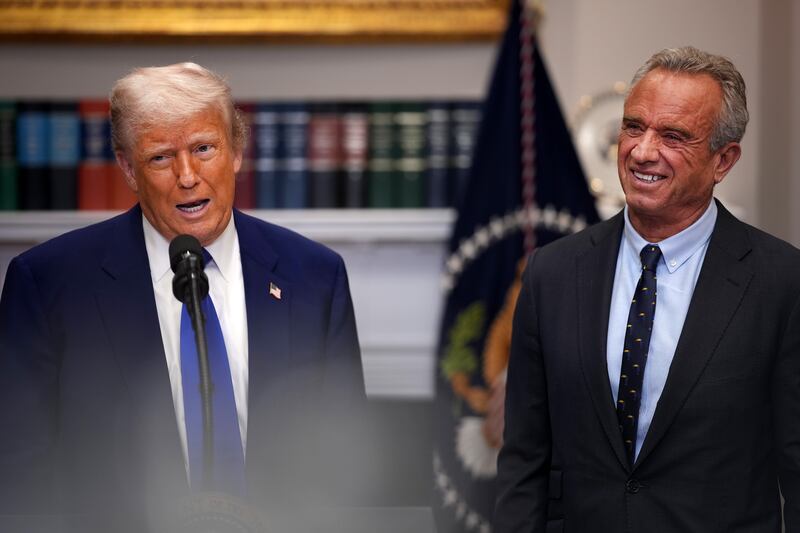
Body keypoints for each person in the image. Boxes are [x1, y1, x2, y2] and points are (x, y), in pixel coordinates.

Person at [0, 63, 364, 532]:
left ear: (236, 151)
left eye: (204, 149)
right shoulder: (48, 284)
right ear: (128, 168)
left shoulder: (315, 277)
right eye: (160, 158)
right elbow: (21, 477)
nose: (187, 176)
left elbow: (347, 462)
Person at [495, 46, 800, 532]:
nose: (642, 150)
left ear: (723, 160)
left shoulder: (782, 281)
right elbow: (523, 462)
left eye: (673, 136)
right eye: (634, 126)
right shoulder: (551, 273)